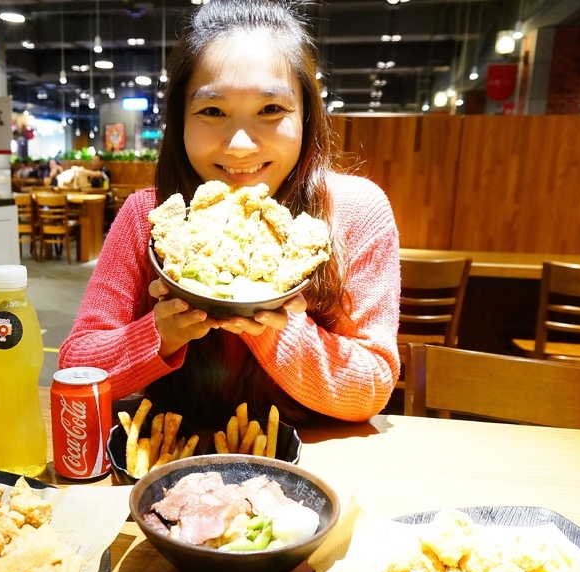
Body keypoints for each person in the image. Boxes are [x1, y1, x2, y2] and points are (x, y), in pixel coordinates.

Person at [58, 0, 400, 427]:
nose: (239, 145)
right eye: (212, 111)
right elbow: (75, 366)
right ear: (180, 120)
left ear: (306, 115)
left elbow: (372, 384)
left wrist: (268, 320)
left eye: (271, 110)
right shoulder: (149, 217)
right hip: (177, 457)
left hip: (312, 460)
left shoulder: (355, 211)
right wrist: (162, 333)